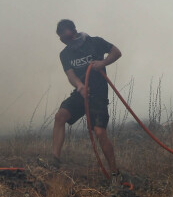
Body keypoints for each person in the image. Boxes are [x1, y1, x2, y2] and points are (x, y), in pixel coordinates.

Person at [52, 19, 122, 180]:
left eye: (66, 35)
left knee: (99, 131)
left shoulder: (95, 42)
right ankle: (54, 161)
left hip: (98, 95)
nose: (64, 40)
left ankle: (115, 173)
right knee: (60, 116)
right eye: (62, 38)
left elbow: (117, 52)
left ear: (74, 31)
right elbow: (70, 75)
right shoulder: (65, 54)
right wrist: (79, 86)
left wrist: (102, 62)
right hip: (81, 93)